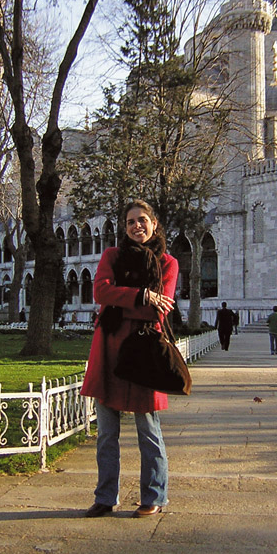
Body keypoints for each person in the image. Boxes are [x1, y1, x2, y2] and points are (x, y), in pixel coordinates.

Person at [81, 200, 179, 519]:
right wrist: (140, 295)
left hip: (142, 352)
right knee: (107, 432)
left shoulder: (168, 263)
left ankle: (154, 496)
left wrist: (125, 298)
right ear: (124, 228)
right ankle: (106, 496)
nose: (137, 226)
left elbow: (159, 308)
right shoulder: (112, 256)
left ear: (154, 223)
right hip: (109, 349)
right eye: (130, 222)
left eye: (142, 220)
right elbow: (99, 292)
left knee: (148, 430)